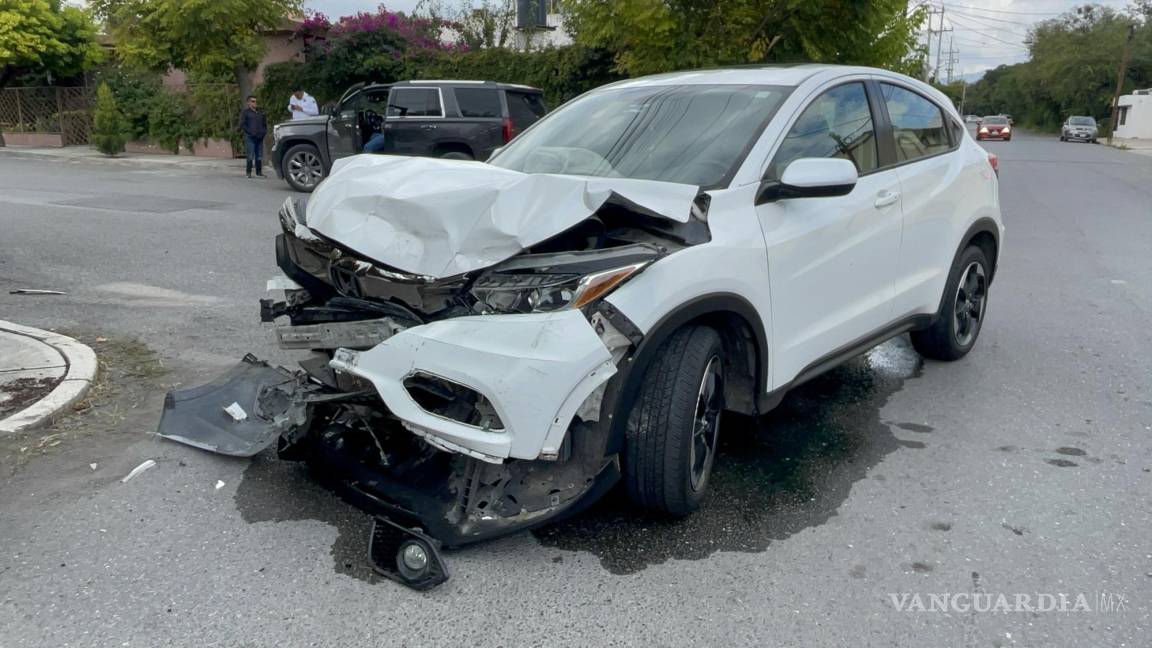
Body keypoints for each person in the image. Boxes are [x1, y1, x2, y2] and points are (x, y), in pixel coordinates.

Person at [239, 95, 268, 178]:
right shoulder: (245, 112)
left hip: (260, 138)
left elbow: (264, 124)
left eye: (256, 101)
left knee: (259, 156)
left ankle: (259, 172)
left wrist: (264, 132)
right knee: (250, 156)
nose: (255, 103)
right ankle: (248, 173)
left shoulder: (260, 113)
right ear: (248, 103)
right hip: (250, 138)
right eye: (253, 101)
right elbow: (242, 124)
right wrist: (249, 132)